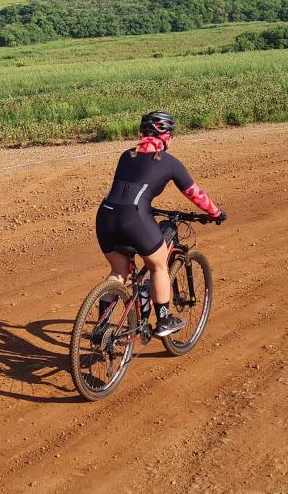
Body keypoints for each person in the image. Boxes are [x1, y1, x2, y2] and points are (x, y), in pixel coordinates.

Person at [95, 111, 226, 337]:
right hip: (134, 218)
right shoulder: (169, 163)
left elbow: (129, 189)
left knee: (118, 272)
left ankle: (101, 327)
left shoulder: (127, 156)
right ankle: (164, 320)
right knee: (158, 266)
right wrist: (216, 213)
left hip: (105, 216)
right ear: (166, 136)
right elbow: (194, 193)